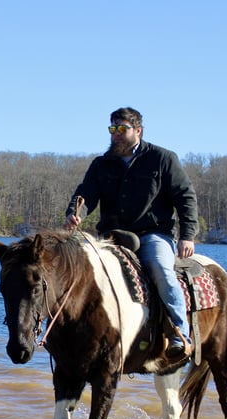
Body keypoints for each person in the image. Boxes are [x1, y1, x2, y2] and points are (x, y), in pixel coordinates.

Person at [64, 107, 198, 359]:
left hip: (153, 233)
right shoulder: (101, 164)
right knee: (78, 267)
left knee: (159, 268)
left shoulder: (162, 158)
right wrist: (75, 213)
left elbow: (185, 197)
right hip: (111, 235)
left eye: (122, 129)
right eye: (112, 129)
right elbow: (86, 194)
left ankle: (180, 333)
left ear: (138, 130)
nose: (116, 135)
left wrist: (187, 234)